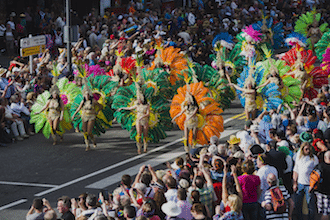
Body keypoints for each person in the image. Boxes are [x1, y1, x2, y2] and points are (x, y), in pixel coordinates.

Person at [117, 85, 150, 154]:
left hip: (145, 121)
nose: (138, 100)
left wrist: (143, 116)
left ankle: (145, 147)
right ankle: (139, 148)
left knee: (145, 135)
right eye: (138, 99)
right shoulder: (137, 105)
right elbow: (129, 108)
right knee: (139, 135)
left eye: (139, 99)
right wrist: (122, 108)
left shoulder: (147, 105)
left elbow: (148, 114)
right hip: (138, 120)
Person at [72, 84, 103, 151]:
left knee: (89, 132)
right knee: (84, 131)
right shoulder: (83, 101)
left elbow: (101, 106)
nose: (87, 96)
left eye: (88, 94)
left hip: (91, 116)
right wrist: (74, 115)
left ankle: (93, 140)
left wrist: (97, 111)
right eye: (85, 95)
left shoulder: (93, 101)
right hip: (84, 116)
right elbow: (78, 108)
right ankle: (87, 145)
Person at [293, 142, 319, 220]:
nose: (308, 150)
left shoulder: (314, 158)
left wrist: (312, 185)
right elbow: (295, 170)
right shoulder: (299, 157)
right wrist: (295, 183)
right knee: (298, 203)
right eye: (306, 149)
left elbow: (316, 174)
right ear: (302, 149)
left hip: (309, 185)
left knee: (310, 204)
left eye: (309, 149)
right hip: (300, 183)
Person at [310, 150, 330, 220]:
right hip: (327, 194)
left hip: (319, 192)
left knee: (322, 212)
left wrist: (311, 187)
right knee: (326, 212)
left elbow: (314, 178)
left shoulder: (320, 166)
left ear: (325, 157)